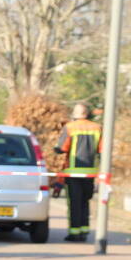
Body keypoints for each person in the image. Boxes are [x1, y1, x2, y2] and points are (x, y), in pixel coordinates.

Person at [54, 103, 102, 242]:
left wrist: (56, 149)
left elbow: (62, 148)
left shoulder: (70, 127)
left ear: (77, 113)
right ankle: (84, 230)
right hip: (90, 172)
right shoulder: (97, 127)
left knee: (75, 203)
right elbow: (101, 150)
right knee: (85, 201)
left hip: (73, 172)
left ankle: (74, 232)